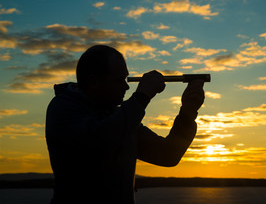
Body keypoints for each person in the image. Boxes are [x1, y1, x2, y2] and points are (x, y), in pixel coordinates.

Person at [45, 45, 205, 204]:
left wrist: (188, 112)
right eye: (118, 80)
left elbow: (167, 155)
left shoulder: (121, 117)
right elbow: (100, 140)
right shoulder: (63, 108)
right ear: (93, 81)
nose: (126, 86)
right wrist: (141, 97)